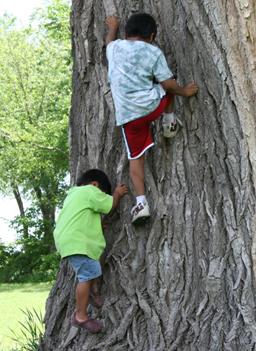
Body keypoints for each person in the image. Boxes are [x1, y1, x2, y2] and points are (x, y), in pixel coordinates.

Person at [105, 13, 198, 225]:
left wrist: (112, 27)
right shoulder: (153, 51)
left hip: (129, 118)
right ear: (152, 36)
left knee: (135, 158)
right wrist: (183, 91)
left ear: (126, 34)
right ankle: (169, 123)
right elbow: (167, 84)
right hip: (153, 107)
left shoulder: (114, 48)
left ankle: (141, 204)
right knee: (169, 82)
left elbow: (109, 41)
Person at [53, 169, 129, 332]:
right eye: (103, 194)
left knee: (99, 254)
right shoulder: (89, 190)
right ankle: (80, 316)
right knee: (85, 278)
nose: (102, 197)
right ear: (94, 185)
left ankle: (94, 289)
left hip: (69, 239)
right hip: (77, 242)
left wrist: (97, 224)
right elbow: (109, 207)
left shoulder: (73, 195)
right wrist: (116, 194)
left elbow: (79, 217)